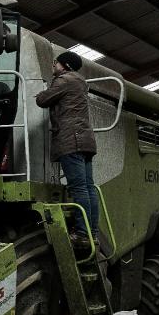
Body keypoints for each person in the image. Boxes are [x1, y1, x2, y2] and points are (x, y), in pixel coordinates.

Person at [36, 51, 99, 247]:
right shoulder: (80, 81)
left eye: (56, 62)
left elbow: (42, 100)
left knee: (79, 188)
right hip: (85, 140)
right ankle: (92, 232)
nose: (53, 65)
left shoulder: (64, 80)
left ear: (65, 65)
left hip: (71, 139)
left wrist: (41, 92)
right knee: (89, 187)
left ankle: (81, 233)